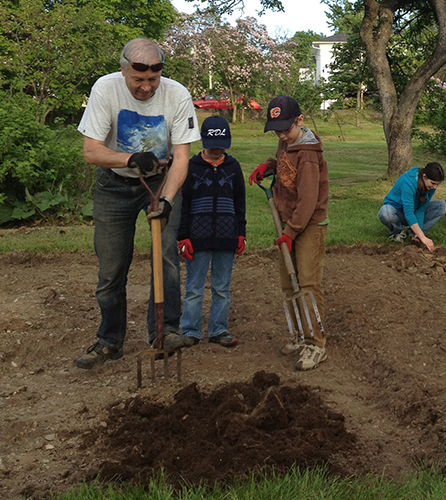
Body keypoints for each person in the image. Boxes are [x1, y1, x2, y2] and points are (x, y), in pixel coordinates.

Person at [75, 38, 200, 369]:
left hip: (159, 182)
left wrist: (168, 199)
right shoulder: (105, 89)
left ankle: (165, 331)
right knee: (112, 268)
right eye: (138, 80)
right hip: (114, 185)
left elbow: (183, 157)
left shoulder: (177, 95)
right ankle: (109, 340)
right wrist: (130, 157)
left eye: (153, 80)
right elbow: (91, 151)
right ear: (123, 70)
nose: (146, 87)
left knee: (167, 258)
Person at [248, 95, 329, 371]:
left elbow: (307, 202)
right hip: (288, 223)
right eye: (277, 130)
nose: (282, 135)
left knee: (306, 283)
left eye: (286, 129)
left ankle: (316, 343)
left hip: (308, 225)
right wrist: (269, 165)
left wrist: (290, 232)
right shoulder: (286, 143)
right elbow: (284, 165)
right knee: (288, 283)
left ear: (300, 120)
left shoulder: (308, 155)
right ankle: (299, 335)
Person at [177, 116, 246, 347]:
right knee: (194, 288)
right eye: (212, 145)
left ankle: (218, 330)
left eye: (221, 145)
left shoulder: (233, 167)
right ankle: (190, 331)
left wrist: (241, 232)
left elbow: (240, 202)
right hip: (197, 238)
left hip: (227, 237)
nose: (217, 150)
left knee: (222, 288)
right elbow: (183, 204)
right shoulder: (191, 167)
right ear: (202, 141)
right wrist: (182, 236)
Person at [378, 162, 446, 252]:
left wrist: (419, 233)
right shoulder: (408, 182)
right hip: (397, 212)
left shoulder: (430, 187)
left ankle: (413, 233)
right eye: (433, 183)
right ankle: (398, 232)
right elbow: (409, 213)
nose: (435, 187)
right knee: (385, 212)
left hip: (413, 211)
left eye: (437, 184)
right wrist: (423, 237)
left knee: (441, 206)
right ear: (424, 177)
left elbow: (421, 210)